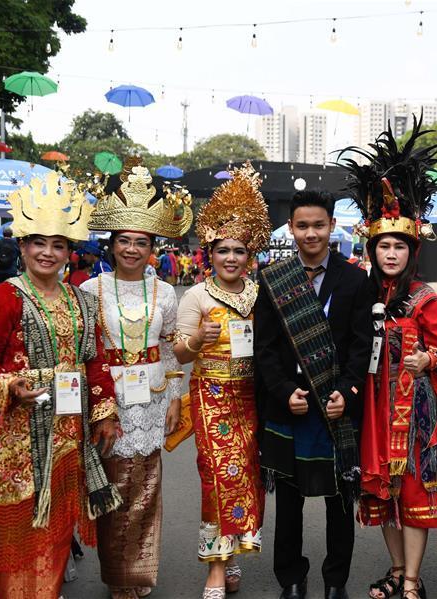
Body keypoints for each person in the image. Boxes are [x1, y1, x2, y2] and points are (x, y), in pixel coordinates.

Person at [0, 171, 122, 598]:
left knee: (54, 533)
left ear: (70, 252)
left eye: (58, 245)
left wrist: (105, 414)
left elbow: (96, 361)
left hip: (69, 435)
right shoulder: (3, 297)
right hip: (19, 435)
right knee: (17, 531)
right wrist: (9, 385)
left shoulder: (82, 301)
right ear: (23, 246)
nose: (48, 253)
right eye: (39, 243)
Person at [340, 121, 437, 599]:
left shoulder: (425, 298)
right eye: (383, 245)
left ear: (411, 250)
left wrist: (428, 360)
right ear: (372, 249)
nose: (391, 252)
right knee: (379, 494)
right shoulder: (361, 292)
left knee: (412, 494)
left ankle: (412, 579)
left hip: (415, 412)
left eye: (399, 246)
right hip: (372, 408)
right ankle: (393, 569)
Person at [255, 188, 372, 599]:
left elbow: (362, 347)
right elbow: (264, 348)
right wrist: (284, 391)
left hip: (336, 409)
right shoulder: (272, 279)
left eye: (318, 225)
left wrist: (348, 392)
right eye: (302, 226)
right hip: (290, 407)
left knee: (340, 502)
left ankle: (336, 581)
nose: (311, 233)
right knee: (288, 503)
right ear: (291, 228)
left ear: (332, 227)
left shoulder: (356, 279)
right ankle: (290, 576)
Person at [82, 159, 190, 599]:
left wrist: (177, 398)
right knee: (111, 488)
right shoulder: (90, 291)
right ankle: (116, 576)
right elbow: (86, 353)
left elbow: (169, 349)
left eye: (140, 242)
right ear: (112, 245)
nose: (131, 248)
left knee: (145, 489)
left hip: (151, 398)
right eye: (123, 240)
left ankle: (139, 575)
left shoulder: (165, 292)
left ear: (153, 248)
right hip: (108, 399)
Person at [175, 163, 271, 599]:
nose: (231, 258)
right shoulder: (196, 295)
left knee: (246, 478)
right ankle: (215, 567)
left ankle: (230, 554)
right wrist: (197, 339)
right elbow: (177, 352)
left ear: (250, 255)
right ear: (208, 253)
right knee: (216, 477)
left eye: (239, 250)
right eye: (222, 250)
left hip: (252, 397)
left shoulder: (260, 293)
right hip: (211, 394)